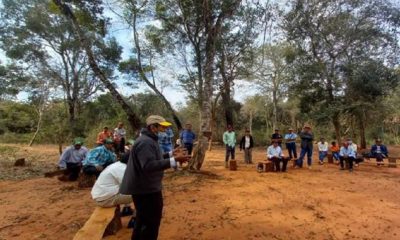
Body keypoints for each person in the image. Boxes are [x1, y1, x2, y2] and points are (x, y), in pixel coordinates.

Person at [120, 115, 190, 240]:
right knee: (150, 222)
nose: (164, 130)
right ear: (153, 127)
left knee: (143, 220)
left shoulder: (148, 140)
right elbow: (148, 165)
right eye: (161, 127)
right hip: (145, 190)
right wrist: (174, 160)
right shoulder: (145, 142)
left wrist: (170, 154)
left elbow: (152, 157)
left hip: (146, 187)